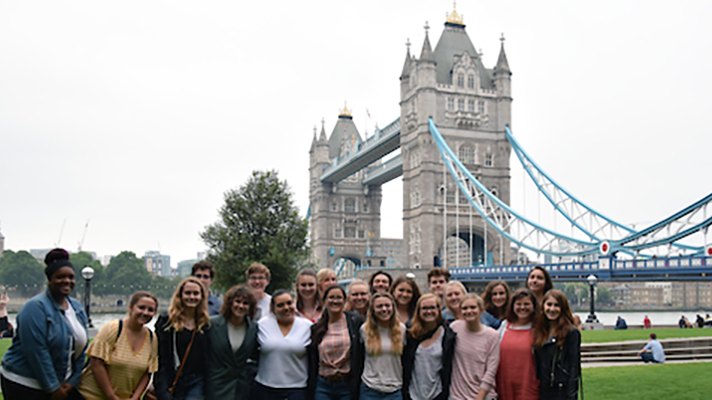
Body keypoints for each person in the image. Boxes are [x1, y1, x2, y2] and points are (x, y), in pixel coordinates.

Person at [1, 248, 88, 400]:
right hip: (25, 382)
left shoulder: (77, 308)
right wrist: (53, 388)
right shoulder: (35, 307)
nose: (67, 281)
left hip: (63, 381)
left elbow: (83, 348)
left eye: (71, 277)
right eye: (60, 277)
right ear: (49, 280)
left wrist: (73, 381)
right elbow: (36, 352)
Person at [79, 291, 159, 400]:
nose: (145, 312)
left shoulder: (152, 338)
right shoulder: (113, 329)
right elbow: (96, 363)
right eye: (141, 307)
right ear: (130, 308)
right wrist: (111, 396)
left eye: (150, 310)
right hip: (92, 396)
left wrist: (135, 398)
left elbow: (147, 373)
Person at [155, 277, 211, 400]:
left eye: (196, 293)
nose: (192, 297)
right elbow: (161, 357)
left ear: (202, 296)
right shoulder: (167, 321)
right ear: (180, 295)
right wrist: (161, 388)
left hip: (197, 380)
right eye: (187, 293)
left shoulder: (205, 323)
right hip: (173, 378)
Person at [307, 285, 364, 400]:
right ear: (325, 301)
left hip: (346, 384)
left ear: (345, 300)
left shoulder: (354, 322)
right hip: (324, 383)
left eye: (339, 298)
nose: (335, 301)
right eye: (331, 297)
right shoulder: (317, 328)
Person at [254, 290, 312, 400]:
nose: (286, 308)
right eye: (280, 305)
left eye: (289, 303)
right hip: (265, 387)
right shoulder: (262, 325)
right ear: (272, 309)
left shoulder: (308, 326)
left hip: (297, 388)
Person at [206, 285, 259, 400]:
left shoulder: (253, 328)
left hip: (241, 389)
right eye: (237, 302)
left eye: (245, 303)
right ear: (230, 303)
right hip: (216, 386)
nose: (240, 306)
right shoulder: (212, 324)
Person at [402, 294, 456, 400]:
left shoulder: (447, 336)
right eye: (425, 308)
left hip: (437, 394)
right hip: (412, 394)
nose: (429, 311)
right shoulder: (410, 334)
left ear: (439, 309)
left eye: (432, 307)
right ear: (418, 311)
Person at [449, 293, 499, 400]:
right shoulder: (455, 327)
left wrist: (479, 397)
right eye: (465, 308)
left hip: (483, 396)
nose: (468, 311)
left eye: (473, 307)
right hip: (456, 396)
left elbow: (491, 370)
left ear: (481, 310)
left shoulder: (492, 336)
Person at [533, 290, 581, 400]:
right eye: (549, 304)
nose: (552, 309)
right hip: (543, 390)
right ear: (543, 307)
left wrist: (571, 395)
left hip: (561, 391)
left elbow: (574, 367)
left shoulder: (571, 333)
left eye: (556, 305)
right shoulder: (540, 331)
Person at [359, 292, 406, 400]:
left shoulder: (402, 330)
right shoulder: (364, 330)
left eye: (387, 305)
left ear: (393, 308)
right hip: (370, 389)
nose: (384, 309)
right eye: (379, 306)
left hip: (394, 390)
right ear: (373, 310)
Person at [496, 289, 539, 400]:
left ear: (533, 306)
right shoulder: (505, 326)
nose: (522, 307)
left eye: (526, 304)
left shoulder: (538, 328)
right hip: (504, 385)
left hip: (529, 386)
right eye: (518, 304)